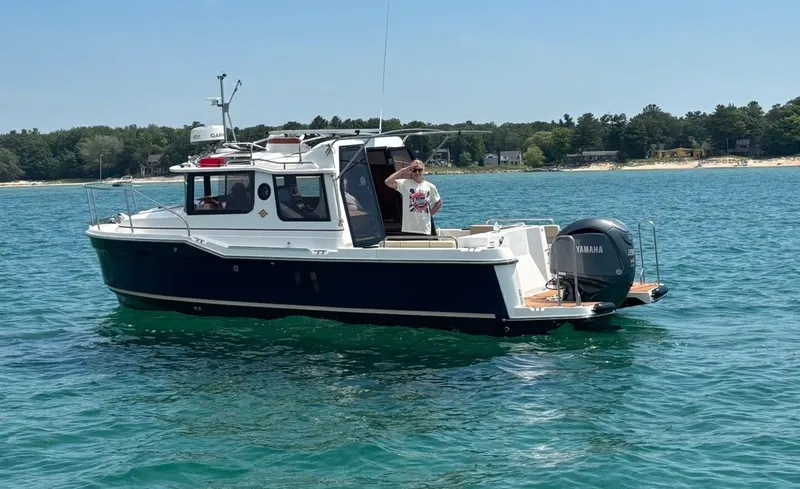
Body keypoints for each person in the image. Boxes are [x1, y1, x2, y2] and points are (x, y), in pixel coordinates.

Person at [384, 159, 441, 235]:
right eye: (414, 170)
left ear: (423, 170)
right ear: (411, 171)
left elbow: (438, 202)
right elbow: (388, 182)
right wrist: (402, 171)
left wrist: (430, 215)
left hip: (424, 229)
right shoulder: (404, 183)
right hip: (408, 229)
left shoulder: (430, 186)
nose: (417, 172)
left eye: (419, 170)